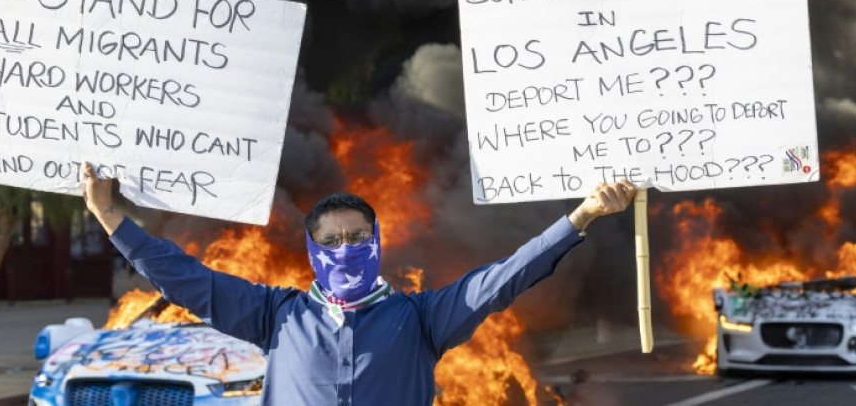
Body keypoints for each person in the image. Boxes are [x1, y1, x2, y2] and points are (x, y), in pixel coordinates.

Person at [82, 162, 636, 405]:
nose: (345, 248)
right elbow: (186, 280)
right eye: (331, 240)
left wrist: (582, 215)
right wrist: (110, 217)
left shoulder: (422, 319)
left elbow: (503, 279)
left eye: (357, 237)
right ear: (312, 251)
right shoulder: (276, 316)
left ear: (377, 242)